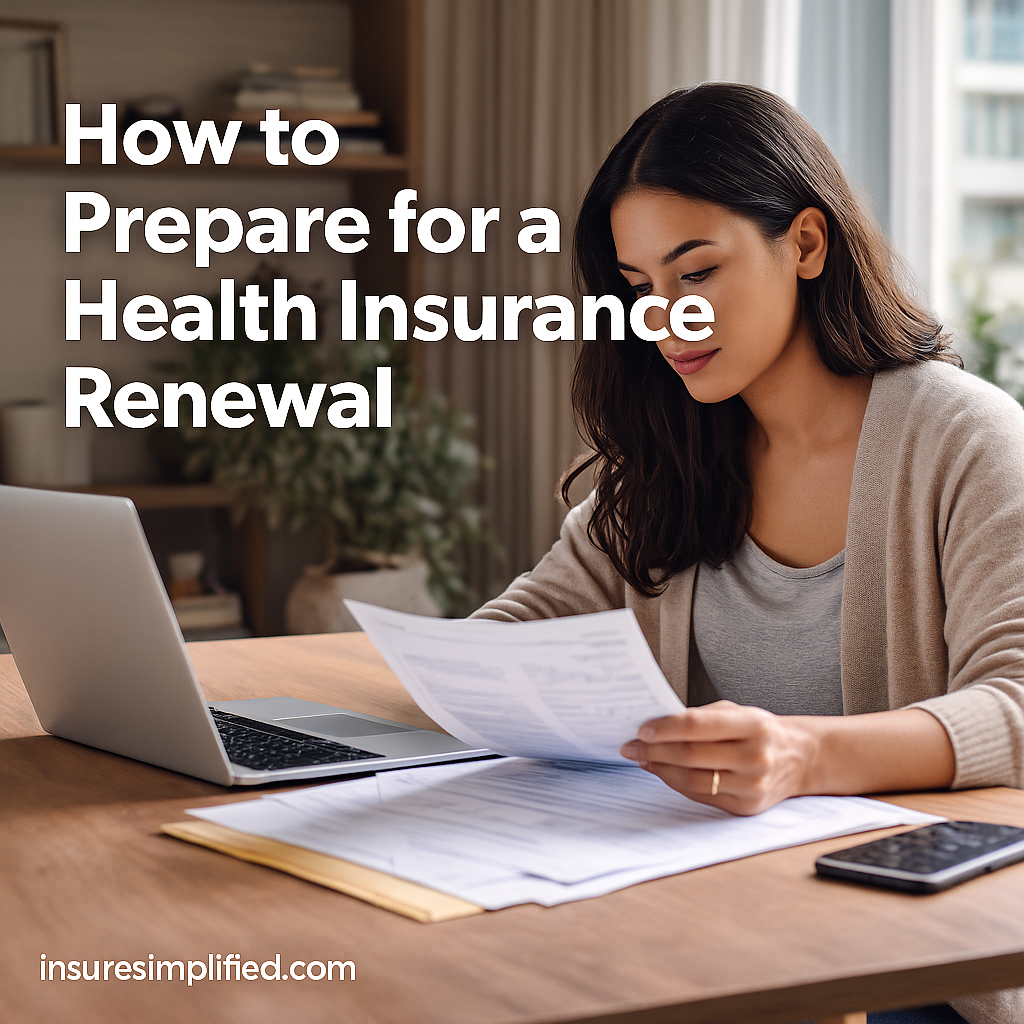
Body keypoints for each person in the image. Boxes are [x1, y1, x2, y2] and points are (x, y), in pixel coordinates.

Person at [471, 83, 1024, 1024]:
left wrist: (802, 753)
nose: (665, 321)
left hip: (922, 957)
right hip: (720, 911)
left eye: (696, 274)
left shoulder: (961, 438)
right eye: (639, 289)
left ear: (805, 244)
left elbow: (1015, 706)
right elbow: (517, 630)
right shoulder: (675, 455)